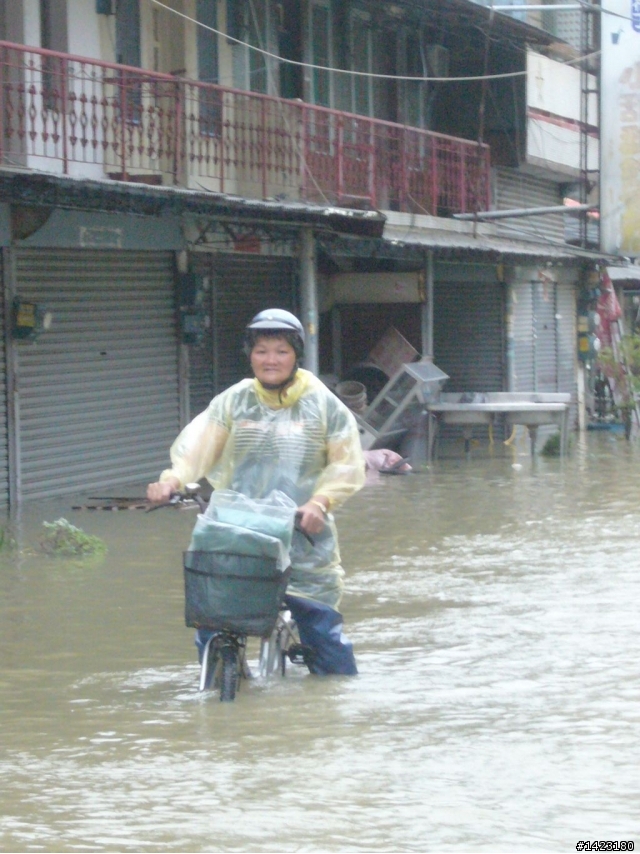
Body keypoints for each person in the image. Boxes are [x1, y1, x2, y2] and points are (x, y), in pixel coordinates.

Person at [147, 309, 366, 675]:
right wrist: (171, 480)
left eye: (280, 351)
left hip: (302, 530)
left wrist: (320, 501)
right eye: (261, 350)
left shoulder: (324, 404)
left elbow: (346, 464)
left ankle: (332, 707)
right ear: (250, 355)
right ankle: (219, 684)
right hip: (237, 529)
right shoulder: (234, 401)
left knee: (322, 632)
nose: (270, 360)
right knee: (210, 621)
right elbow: (197, 449)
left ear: (296, 354)